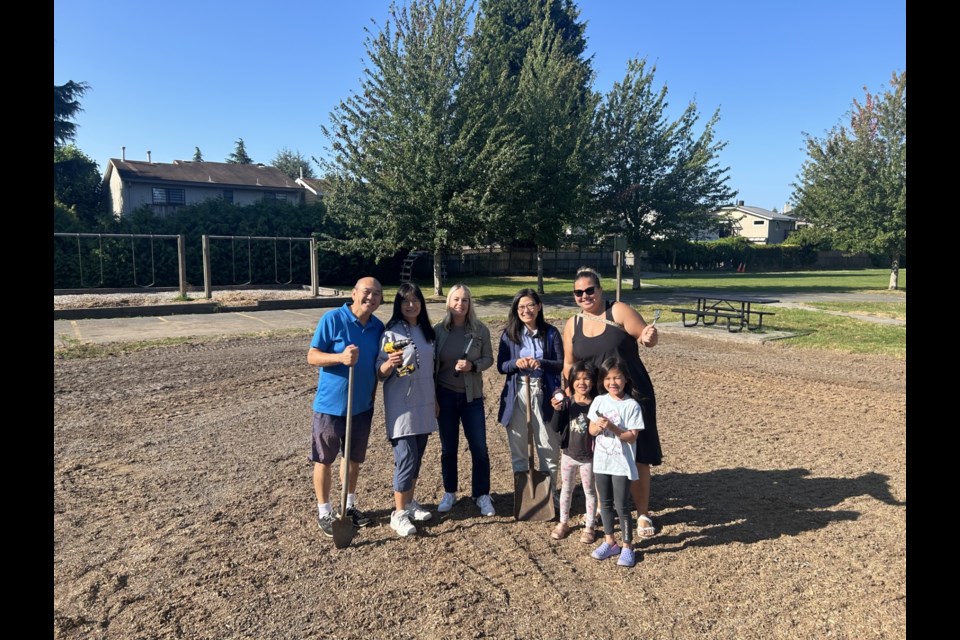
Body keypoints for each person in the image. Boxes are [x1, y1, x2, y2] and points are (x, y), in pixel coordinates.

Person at [562, 266, 661, 540]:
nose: (585, 296)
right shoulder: (573, 323)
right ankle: (599, 509)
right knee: (597, 455)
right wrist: (571, 394)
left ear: (599, 289)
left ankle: (642, 513)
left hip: (632, 395)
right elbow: (569, 363)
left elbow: (645, 337)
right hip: (596, 400)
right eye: (578, 292)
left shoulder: (618, 311)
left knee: (638, 454)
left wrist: (648, 337)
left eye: (589, 290)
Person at [308, 277, 385, 538]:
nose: (371, 298)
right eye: (366, 292)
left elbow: (378, 365)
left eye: (377, 294)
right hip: (330, 406)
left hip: (361, 406)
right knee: (324, 459)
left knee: (353, 459)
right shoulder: (332, 319)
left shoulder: (378, 327)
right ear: (353, 293)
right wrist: (340, 357)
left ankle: (348, 506)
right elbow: (312, 355)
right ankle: (325, 511)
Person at [377, 283, 438, 537]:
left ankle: (410, 502)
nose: (411, 305)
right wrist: (388, 364)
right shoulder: (390, 333)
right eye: (405, 301)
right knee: (406, 457)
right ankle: (398, 513)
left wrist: (434, 399)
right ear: (398, 305)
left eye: (415, 300)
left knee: (418, 455)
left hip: (424, 401)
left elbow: (431, 369)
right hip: (401, 404)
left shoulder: (427, 332)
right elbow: (379, 374)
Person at [496, 288, 564, 507]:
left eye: (530, 305)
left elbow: (560, 364)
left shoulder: (551, 333)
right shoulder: (509, 334)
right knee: (519, 448)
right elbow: (501, 366)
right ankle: (524, 495)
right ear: (516, 310)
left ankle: (549, 493)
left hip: (543, 393)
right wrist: (516, 363)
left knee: (548, 448)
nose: (526, 310)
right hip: (517, 393)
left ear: (539, 306)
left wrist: (540, 363)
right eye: (521, 307)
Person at [433, 283, 496, 516]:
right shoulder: (438, 330)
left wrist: (473, 365)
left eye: (465, 300)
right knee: (448, 448)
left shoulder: (480, 330)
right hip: (445, 396)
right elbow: (431, 366)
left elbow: (489, 358)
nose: (460, 304)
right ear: (449, 302)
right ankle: (450, 492)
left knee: (479, 448)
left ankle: (482, 494)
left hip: (472, 398)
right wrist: (433, 398)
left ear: (470, 304)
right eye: (456, 299)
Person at [587, 357, 645, 568]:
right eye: (608, 378)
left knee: (622, 505)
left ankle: (628, 546)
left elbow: (632, 436)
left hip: (621, 464)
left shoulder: (631, 405)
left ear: (626, 380)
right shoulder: (599, 401)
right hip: (601, 462)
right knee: (606, 504)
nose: (613, 382)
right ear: (602, 380)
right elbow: (591, 430)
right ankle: (610, 541)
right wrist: (600, 427)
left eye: (617, 378)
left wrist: (613, 428)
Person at [548, 360, 599, 543]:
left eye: (586, 378)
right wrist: (557, 410)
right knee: (566, 490)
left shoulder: (597, 404)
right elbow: (555, 427)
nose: (582, 383)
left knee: (590, 492)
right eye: (577, 379)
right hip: (568, 454)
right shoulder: (568, 403)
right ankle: (563, 522)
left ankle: (590, 526)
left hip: (589, 457)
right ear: (571, 382)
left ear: (593, 381)